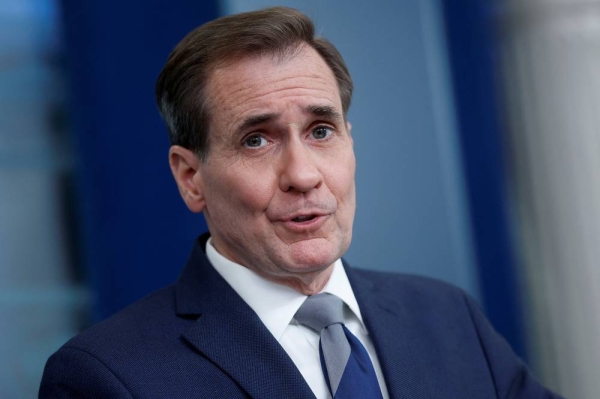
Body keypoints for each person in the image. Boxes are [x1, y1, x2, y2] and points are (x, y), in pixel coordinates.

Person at [40, 7, 562, 399]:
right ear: (191, 177)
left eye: (320, 130)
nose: (303, 175)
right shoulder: (106, 377)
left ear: (350, 141)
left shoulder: (449, 317)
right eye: (256, 140)